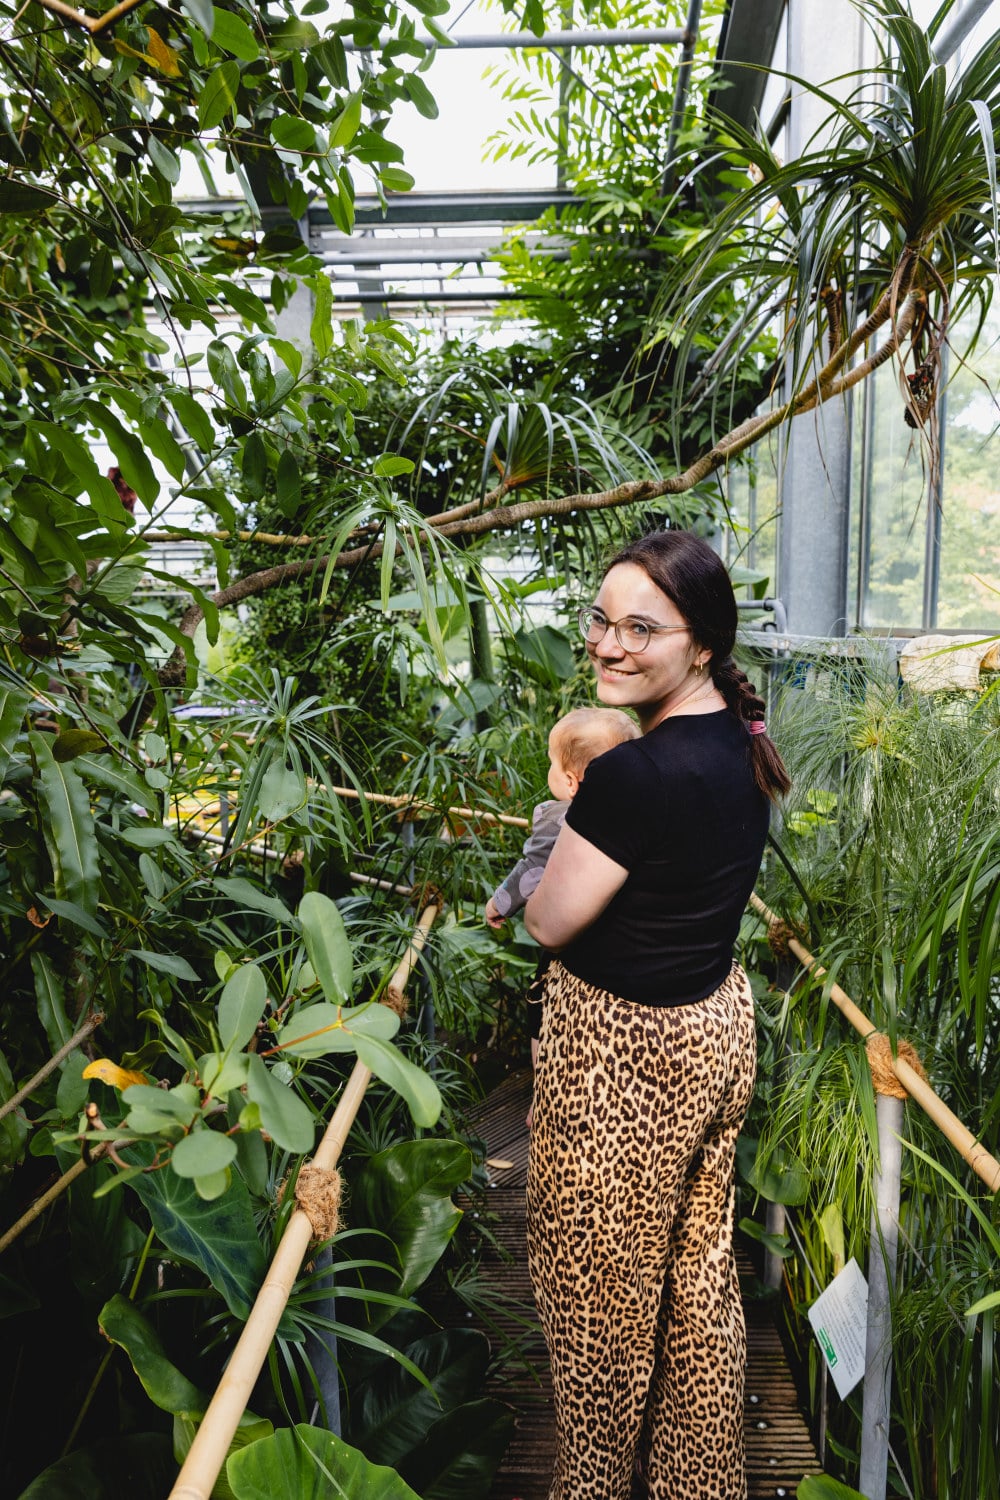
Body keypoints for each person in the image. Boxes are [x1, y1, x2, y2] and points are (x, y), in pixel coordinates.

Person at [523, 528, 790, 1500]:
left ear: (701, 644)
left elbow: (550, 920)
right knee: (696, 1288)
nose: (608, 643)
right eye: (602, 620)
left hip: (623, 1062)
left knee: (597, 1302)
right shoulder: (740, 740)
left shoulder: (630, 776)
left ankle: (591, 1486)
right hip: (714, 1028)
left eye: (642, 627)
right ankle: (698, 1485)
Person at [485, 707, 639, 1124]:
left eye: (553, 764)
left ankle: (543, 1093)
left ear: (571, 782)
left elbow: (532, 870)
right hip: (619, 956)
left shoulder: (559, 820)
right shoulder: (637, 814)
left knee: (542, 1019)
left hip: (568, 952)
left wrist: (500, 902)